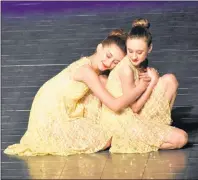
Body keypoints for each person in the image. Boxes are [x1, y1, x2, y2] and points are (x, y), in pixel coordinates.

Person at [4, 30, 150, 156]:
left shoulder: (92, 68)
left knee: (104, 100)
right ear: (99, 48)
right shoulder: (87, 71)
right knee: (108, 135)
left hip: (59, 107)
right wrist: (140, 88)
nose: (109, 62)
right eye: (108, 55)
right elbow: (114, 105)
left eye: (115, 62)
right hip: (50, 114)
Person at [100, 18, 188, 153]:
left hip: (135, 112)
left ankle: (157, 128)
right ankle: (133, 139)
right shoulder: (126, 69)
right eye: (130, 51)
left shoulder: (140, 62)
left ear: (149, 49)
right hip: (123, 120)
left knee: (170, 80)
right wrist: (151, 83)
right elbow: (134, 108)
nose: (134, 56)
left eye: (139, 52)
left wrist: (148, 83)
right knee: (181, 139)